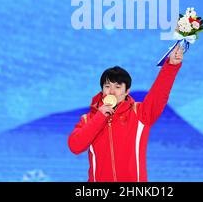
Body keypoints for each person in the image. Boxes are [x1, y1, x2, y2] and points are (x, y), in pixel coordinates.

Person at [68, 45, 183, 182]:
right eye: (107, 86)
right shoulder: (88, 119)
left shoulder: (140, 113)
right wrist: (100, 117)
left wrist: (171, 66)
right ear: (102, 90)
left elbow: (159, 93)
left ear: (127, 91)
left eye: (117, 87)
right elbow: (75, 146)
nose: (111, 92)